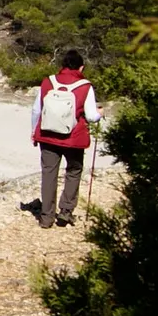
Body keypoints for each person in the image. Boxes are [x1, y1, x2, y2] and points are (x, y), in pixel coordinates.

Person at [30, 48, 102, 228]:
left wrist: (34, 131)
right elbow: (91, 116)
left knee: (49, 174)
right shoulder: (85, 86)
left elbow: (36, 110)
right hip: (74, 137)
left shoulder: (48, 81)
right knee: (74, 171)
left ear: (62, 65)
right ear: (81, 67)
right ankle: (66, 212)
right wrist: (100, 113)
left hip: (47, 135)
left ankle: (46, 217)